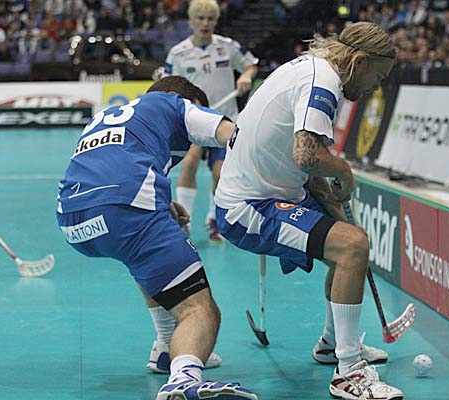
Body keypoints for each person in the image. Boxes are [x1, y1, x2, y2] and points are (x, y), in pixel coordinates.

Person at [215, 22, 403, 399]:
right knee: (351, 246)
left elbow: (301, 163)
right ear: (360, 61)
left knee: (349, 241)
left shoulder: (311, 67)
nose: (376, 87)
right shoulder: (324, 83)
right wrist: (344, 171)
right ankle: (349, 371)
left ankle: (333, 345)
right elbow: (306, 155)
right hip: (248, 206)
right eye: (378, 77)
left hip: (270, 189)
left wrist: (332, 204)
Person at [56, 76, 257, 400]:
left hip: (73, 223)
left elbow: (108, 168)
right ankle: (184, 379)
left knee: (146, 252)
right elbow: (234, 136)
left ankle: (166, 347)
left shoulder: (107, 116)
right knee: (200, 309)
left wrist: (162, 205)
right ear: (180, 97)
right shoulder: (172, 103)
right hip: (125, 214)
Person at [163, 0, 258, 242]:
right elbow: (167, 85)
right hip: (193, 120)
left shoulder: (228, 47)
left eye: (210, 19)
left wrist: (246, 77)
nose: (205, 23)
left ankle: (215, 219)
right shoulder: (178, 53)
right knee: (189, 162)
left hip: (224, 121)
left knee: (221, 173)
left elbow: (251, 65)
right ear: (191, 21)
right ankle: (184, 224)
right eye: (200, 18)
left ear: (216, 21)